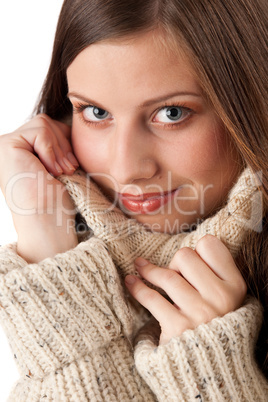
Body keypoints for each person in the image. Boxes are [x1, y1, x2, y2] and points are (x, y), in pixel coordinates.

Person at [0, 0, 267, 400]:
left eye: (172, 113)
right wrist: (50, 255)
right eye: (95, 111)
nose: (125, 169)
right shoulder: (53, 270)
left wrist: (211, 376)